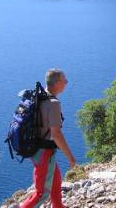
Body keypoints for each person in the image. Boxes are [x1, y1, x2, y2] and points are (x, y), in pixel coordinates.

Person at [21, 69, 76, 208]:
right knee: (41, 194)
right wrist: (71, 158)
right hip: (43, 152)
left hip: (34, 147)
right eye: (65, 80)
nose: (66, 83)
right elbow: (56, 134)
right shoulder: (53, 104)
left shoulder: (39, 96)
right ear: (57, 83)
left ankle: (58, 206)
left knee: (55, 179)